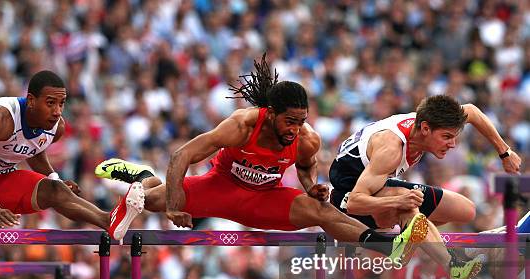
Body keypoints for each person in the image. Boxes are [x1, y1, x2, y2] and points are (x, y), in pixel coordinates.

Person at [95, 55, 428, 264]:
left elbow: (306, 167)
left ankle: (386, 247)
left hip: (266, 198)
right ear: (270, 115)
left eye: (301, 121)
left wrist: (311, 186)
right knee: (152, 199)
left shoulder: (307, 139)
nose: (295, 129)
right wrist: (173, 202)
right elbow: (183, 154)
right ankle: (143, 177)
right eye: (289, 121)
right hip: (222, 187)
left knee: (322, 212)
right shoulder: (242, 125)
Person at [0, 70, 138, 254]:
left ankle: (108, 220)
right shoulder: (4, 117)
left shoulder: (56, 127)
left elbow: (34, 149)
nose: (57, 111)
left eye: (62, 103)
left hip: (4, 181)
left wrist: (54, 177)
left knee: (55, 190)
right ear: (31, 100)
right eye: (50, 103)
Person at [329, 94, 522, 279]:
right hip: (348, 200)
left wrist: (505, 152)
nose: (452, 144)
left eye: (454, 137)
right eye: (446, 137)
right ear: (425, 129)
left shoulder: (431, 118)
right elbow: (353, 202)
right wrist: (399, 201)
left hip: (379, 186)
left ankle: (414, 236)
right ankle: (453, 266)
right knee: (408, 201)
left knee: (466, 210)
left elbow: (472, 111)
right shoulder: (390, 149)